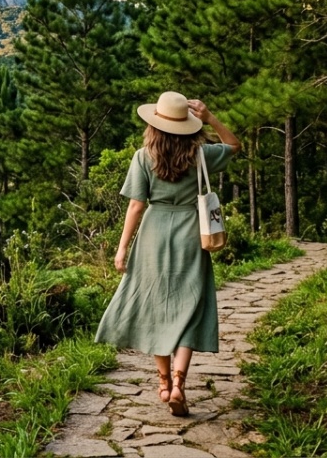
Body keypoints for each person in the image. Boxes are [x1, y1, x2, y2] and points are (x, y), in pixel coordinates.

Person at [94, 91, 241, 416]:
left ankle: (162, 384)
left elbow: (136, 205)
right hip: (191, 231)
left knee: (155, 307)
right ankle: (179, 382)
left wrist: (121, 249)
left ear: (154, 124)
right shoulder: (200, 153)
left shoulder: (143, 156)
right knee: (191, 305)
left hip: (153, 234)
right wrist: (211, 118)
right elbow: (234, 145)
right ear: (188, 124)